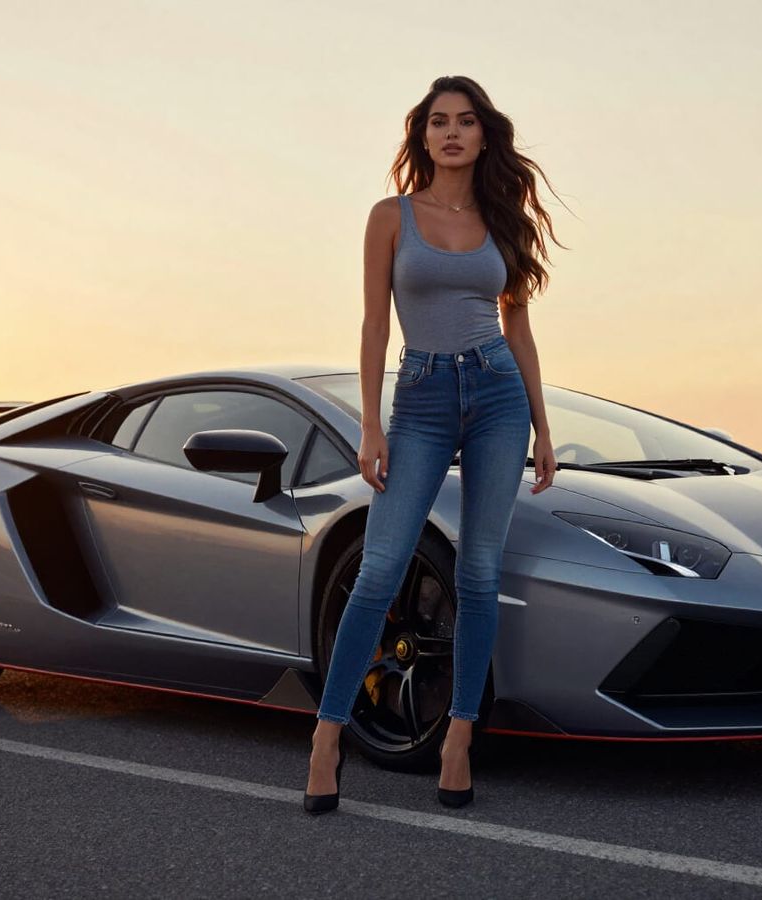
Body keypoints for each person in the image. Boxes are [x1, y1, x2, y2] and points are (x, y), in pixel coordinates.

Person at [303, 75, 563, 814]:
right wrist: (371, 423)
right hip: (418, 397)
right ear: (422, 136)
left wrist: (543, 426)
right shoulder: (392, 217)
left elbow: (518, 326)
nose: (452, 132)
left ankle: (458, 738)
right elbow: (374, 325)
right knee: (381, 569)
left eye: (466, 121)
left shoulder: (504, 221)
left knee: (479, 574)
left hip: (497, 394)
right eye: (438, 122)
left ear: (485, 134)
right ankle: (328, 736)